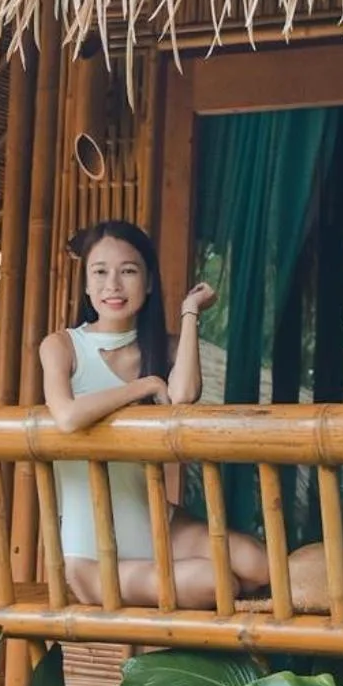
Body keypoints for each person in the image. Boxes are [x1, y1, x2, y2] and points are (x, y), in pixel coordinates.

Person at [39, 218, 270, 607]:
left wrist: (190, 311)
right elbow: (66, 417)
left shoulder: (162, 347)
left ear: (147, 283)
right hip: (93, 556)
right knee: (220, 582)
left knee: (259, 563)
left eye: (128, 271)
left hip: (160, 524)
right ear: (87, 284)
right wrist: (143, 387)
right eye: (100, 272)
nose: (112, 284)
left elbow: (182, 394)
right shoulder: (62, 347)